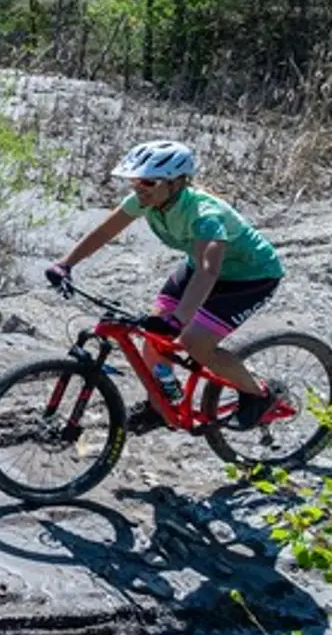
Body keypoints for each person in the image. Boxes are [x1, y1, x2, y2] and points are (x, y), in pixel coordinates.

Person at [44, 140, 285, 433]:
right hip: (198, 268)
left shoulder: (206, 214)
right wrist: (66, 263)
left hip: (250, 277)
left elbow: (210, 271)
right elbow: (107, 230)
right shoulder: (145, 201)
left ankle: (259, 396)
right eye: (134, 181)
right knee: (153, 336)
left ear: (175, 183)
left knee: (196, 344)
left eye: (148, 182)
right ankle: (160, 407)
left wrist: (179, 319)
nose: (138, 188)